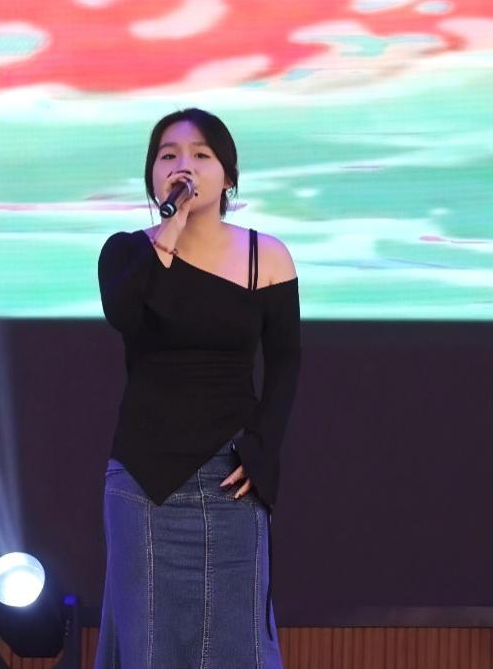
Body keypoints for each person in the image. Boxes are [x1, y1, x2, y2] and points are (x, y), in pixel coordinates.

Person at [94, 108, 302, 669]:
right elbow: (123, 314)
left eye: (201, 155)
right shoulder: (126, 252)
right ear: (152, 176)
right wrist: (171, 227)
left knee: (236, 641)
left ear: (228, 176)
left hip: (231, 474)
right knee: (148, 642)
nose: (183, 166)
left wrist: (263, 451)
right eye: (168, 156)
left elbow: (286, 362)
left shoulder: (265, 256)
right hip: (143, 478)